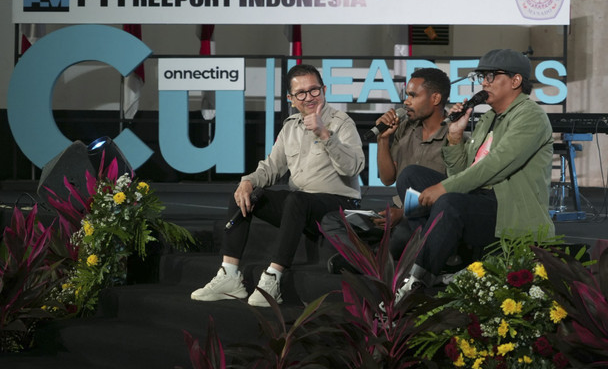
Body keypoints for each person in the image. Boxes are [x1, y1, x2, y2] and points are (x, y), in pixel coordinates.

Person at [191, 64, 365, 306]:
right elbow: (272, 167)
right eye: (301, 93)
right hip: (301, 206)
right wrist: (248, 182)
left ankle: (273, 278)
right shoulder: (290, 127)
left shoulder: (341, 122)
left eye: (314, 90)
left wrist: (325, 134)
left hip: (338, 207)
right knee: (244, 194)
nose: (309, 97)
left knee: (296, 199)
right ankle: (229, 275)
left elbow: (353, 167)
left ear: (324, 90)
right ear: (291, 99)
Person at [394, 49, 555, 300]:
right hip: (479, 197)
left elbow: (495, 166)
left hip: (507, 208)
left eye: (491, 76)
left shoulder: (530, 116)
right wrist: (455, 136)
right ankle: (444, 256)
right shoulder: (489, 118)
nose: (484, 83)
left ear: (515, 81)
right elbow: (462, 172)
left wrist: (444, 188)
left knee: (449, 201)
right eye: (482, 77)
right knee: (410, 176)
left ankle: (417, 283)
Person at [321, 68, 452, 272]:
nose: (407, 101)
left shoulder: (454, 135)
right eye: (407, 95)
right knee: (332, 220)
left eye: (413, 95)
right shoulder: (405, 128)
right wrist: (383, 139)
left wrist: (404, 214)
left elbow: (450, 194)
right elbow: (387, 178)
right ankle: (370, 259)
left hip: (422, 218)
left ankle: (367, 260)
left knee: (407, 231)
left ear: (435, 98)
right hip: (393, 213)